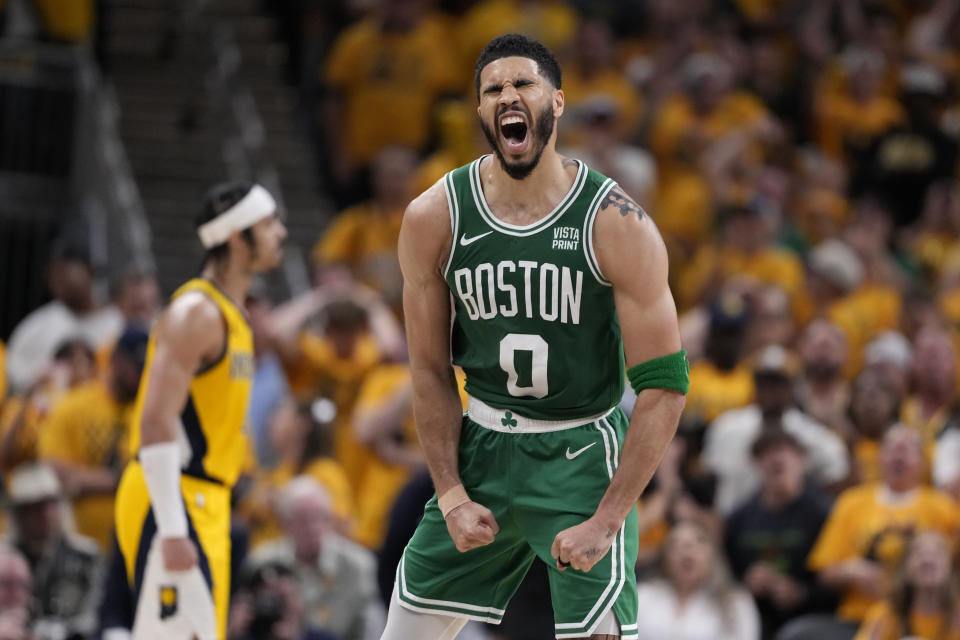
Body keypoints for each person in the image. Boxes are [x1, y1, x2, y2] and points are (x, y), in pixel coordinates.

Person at [380, 34, 688, 640]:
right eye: (493, 89)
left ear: (558, 102)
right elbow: (428, 372)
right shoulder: (433, 219)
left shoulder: (615, 223)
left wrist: (607, 520)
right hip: (483, 448)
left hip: (580, 455)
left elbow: (665, 387)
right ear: (480, 111)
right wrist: (449, 494)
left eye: (523, 84)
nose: (507, 96)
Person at [113, 181, 287, 640]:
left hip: (206, 501)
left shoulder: (235, 317)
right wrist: (172, 528)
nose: (281, 233)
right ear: (236, 237)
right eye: (269, 224)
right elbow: (155, 419)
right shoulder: (197, 312)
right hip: (172, 496)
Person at [725, 430, 836, 639]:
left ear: (802, 460)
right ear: (756, 464)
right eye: (766, 453)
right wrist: (745, 583)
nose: (777, 458)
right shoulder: (739, 518)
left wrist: (801, 593)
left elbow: (835, 582)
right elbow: (726, 573)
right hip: (753, 615)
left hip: (811, 615)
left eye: (786, 451)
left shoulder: (824, 514)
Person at [5, 463, 103, 640]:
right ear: (20, 514)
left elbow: (94, 615)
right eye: (35, 507)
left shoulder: (86, 556)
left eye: (51, 504)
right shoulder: (6, 561)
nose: (45, 514)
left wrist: (52, 632)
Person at [635, 520, 760, 640]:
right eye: (675, 544)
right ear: (665, 557)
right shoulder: (643, 596)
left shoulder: (736, 602)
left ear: (713, 553)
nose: (686, 549)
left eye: (699, 541)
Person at [853, 530, 960, 640]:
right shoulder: (886, 615)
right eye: (919, 553)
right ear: (905, 569)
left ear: (951, 568)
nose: (928, 559)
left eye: (938, 553)